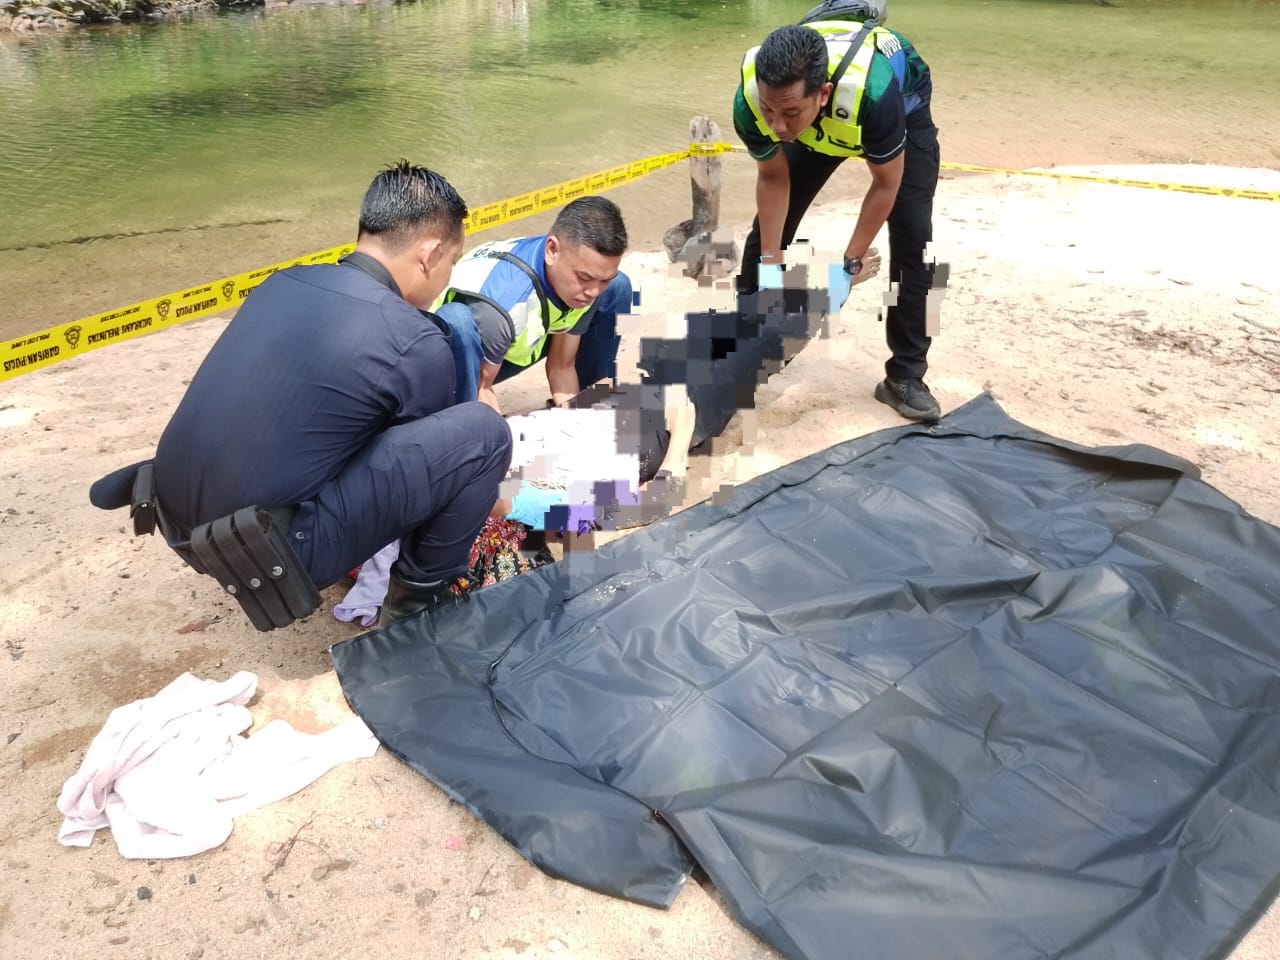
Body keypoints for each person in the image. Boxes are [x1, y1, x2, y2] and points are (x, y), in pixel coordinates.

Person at [145, 161, 513, 625]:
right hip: (267, 556)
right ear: (430, 253)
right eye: (452, 263)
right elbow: (436, 476)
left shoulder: (283, 282)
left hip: (178, 527)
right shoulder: (414, 337)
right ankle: (414, 612)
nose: (447, 277)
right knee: (484, 434)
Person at [733, 0, 943, 422]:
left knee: (913, 239)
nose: (777, 126)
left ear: (823, 93)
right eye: (769, 111)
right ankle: (752, 345)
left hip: (900, 109)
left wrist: (849, 264)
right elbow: (773, 180)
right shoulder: (754, 100)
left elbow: (885, 184)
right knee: (766, 233)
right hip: (824, 122)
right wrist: (772, 266)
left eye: (789, 113)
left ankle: (905, 376)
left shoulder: (875, 94)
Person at [433, 196, 633, 414]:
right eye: (584, 277)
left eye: (604, 279)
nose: (593, 291)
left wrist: (576, 417)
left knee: (618, 287)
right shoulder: (505, 302)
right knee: (462, 328)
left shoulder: (578, 277)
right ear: (552, 250)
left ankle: (592, 405)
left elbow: (562, 366)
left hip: (516, 330)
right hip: (458, 355)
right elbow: (483, 387)